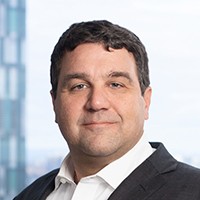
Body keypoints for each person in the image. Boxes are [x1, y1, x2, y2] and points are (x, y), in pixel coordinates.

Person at [14, 20, 200, 200]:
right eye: (79, 86)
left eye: (116, 84)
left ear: (146, 101)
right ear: (54, 103)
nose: (96, 103)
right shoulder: (29, 196)